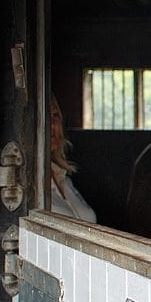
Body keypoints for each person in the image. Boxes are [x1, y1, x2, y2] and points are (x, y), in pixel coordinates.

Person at [49, 94, 97, 223]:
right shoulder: (32, 186)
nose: (52, 125)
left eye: (55, 116)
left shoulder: (64, 179)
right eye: (45, 117)